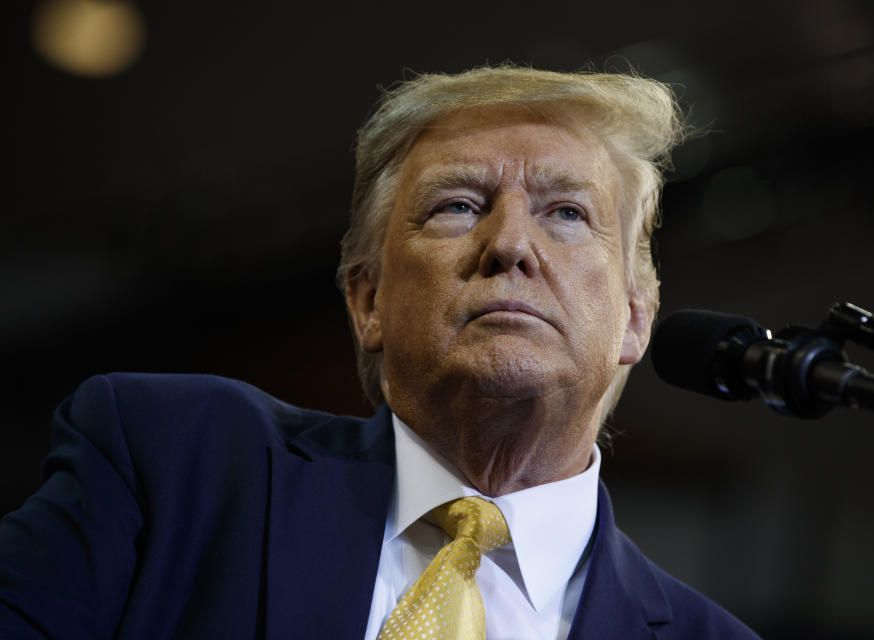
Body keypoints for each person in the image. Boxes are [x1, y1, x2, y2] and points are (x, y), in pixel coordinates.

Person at [0, 66, 761, 639]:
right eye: (458, 205)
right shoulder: (173, 464)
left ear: (635, 316)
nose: (510, 244)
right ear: (367, 300)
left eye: (566, 212)